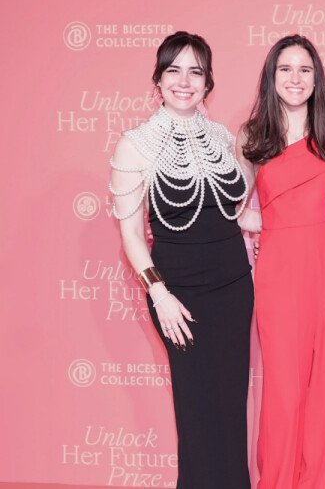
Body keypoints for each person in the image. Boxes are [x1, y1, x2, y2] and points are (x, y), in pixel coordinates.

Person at [108, 31, 253, 488]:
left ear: (209, 82)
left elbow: (235, 210)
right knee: (197, 408)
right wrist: (159, 293)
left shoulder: (223, 137)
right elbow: (132, 235)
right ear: (158, 80)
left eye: (196, 72)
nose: (184, 82)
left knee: (230, 406)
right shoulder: (135, 144)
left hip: (234, 288)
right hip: (178, 293)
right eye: (174, 71)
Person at [235, 34, 325, 489]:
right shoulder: (252, 137)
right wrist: (266, 224)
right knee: (284, 393)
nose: (295, 78)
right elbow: (234, 207)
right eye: (285, 69)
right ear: (271, 76)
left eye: (305, 70)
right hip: (280, 274)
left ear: (316, 78)